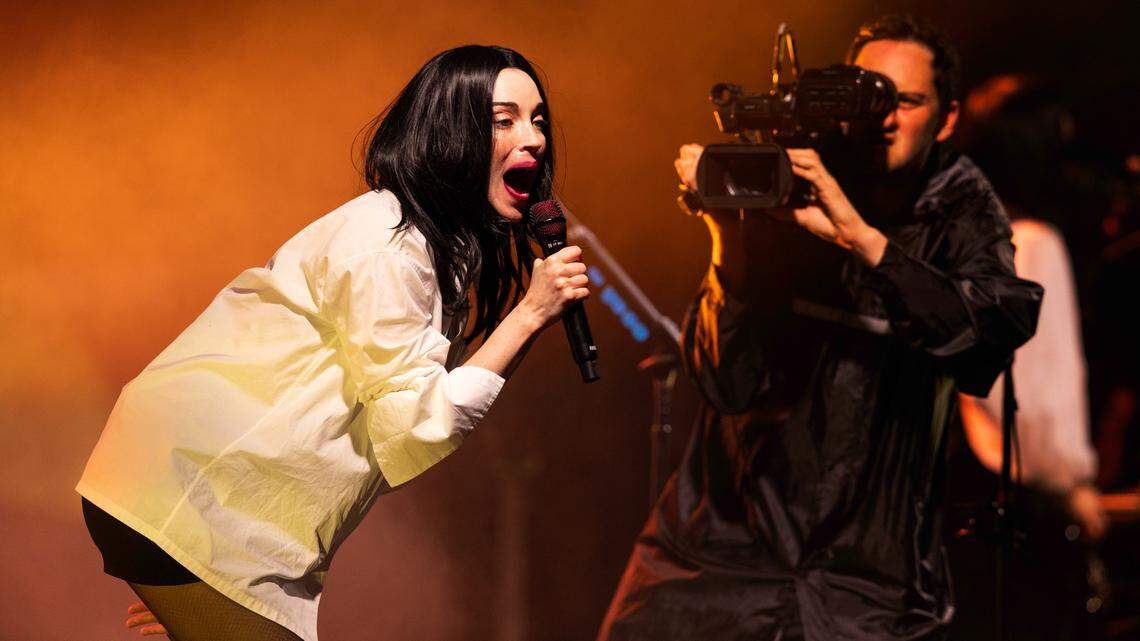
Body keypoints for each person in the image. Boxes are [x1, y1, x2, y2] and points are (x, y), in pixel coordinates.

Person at [77, 45, 589, 641]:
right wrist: (529, 314)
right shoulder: (390, 246)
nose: (533, 139)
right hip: (187, 496)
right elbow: (416, 427)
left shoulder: (426, 250)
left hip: (216, 522)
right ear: (450, 132)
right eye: (503, 121)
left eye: (538, 120)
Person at [597, 15, 1042, 641]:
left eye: (906, 100)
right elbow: (726, 382)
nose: (882, 116)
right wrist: (729, 238)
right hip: (718, 562)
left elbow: (988, 337)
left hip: (866, 585)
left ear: (945, 119)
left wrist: (859, 240)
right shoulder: (790, 172)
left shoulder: (960, 204)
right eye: (868, 94)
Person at [946, 74, 1106, 641]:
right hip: (1026, 509)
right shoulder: (1035, 244)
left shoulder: (963, 244)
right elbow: (1041, 394)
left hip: (966, 507)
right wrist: (1071, 485)